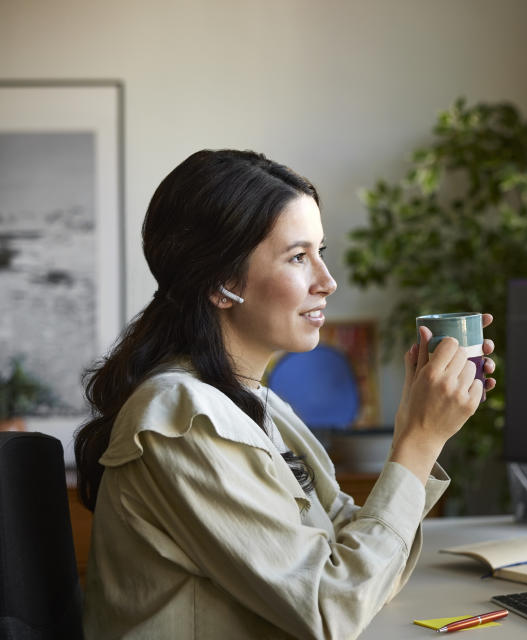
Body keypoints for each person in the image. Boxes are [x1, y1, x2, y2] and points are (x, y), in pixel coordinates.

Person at [73, 149, 497, 639]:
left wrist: (416, 424)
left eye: (322, 252)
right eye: (298, 257)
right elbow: (330, 609)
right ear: (222, 284)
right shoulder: (183, 419)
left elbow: (357, 567)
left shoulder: (257, 406)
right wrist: (419, 441)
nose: (327, 281)